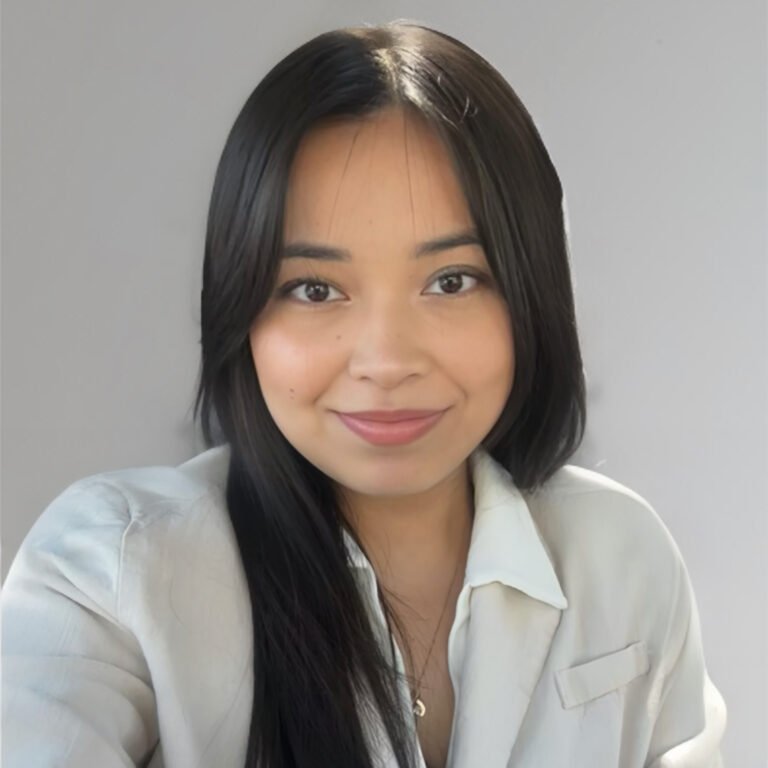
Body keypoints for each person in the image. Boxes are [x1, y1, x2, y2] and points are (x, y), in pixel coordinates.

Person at [1, 20, 726, 768]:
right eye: (315, 289)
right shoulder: (115, 573)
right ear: (240, 308)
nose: (386, 362)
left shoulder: (621, 555)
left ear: (529, 293)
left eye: (451, 281)